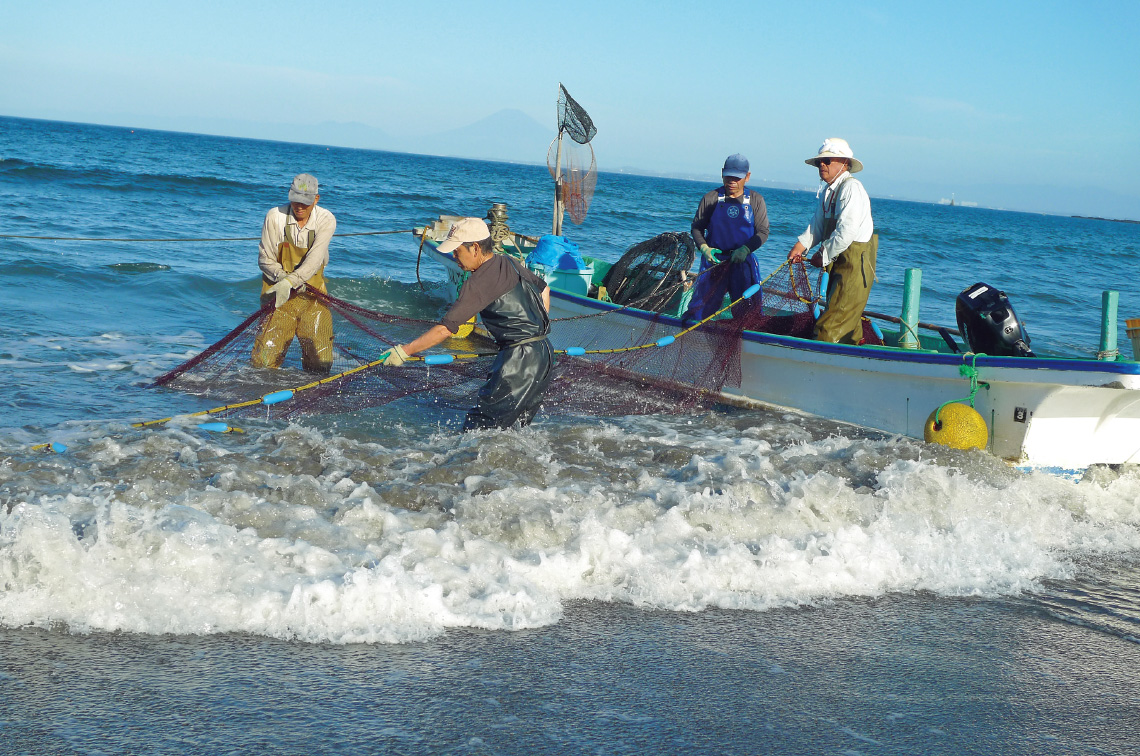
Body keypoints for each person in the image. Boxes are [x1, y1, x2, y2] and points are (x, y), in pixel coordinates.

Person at [383, 217, 554, 431]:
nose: (454, 257)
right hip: (545, 353)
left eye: (457, 251)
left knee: (480, 428)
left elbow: (445, 329)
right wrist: (534, 330)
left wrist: (404, 351)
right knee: (516, 428)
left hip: (518, 360)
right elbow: (544, 289)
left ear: (475, 248)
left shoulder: (478, 282)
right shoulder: (509, 261)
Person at [787, 139, 878, 344]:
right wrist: (800, 246)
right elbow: (817, 226)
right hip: (838, 264)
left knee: (830, 327)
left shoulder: (852, 188)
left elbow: (847, 231)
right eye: (819, 162)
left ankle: (819, 356)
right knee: (847, 324)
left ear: (844, 163)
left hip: (855, 268)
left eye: (827, 160)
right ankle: (854, 355)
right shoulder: (828, 192)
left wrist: (823, 255)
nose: (822, 165)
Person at [250, 173, 337, 373]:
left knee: (321, 363)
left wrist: (292, 281)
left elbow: (315, 260)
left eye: (305, 202)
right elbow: (265, 259)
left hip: (313, 295)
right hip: (279, 296)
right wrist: (282, 279)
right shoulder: (275, 216)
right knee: (263, 363)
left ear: (316, 199)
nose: (299, 206)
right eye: (296, 200)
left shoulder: (326, 219)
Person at [680, 153, 770, 327]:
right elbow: (697, 228)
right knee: (701, 309)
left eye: (737, 178)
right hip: (714, 262)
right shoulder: (711, 198)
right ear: (722, 173)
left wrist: (745, 249)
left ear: (747, 177)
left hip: (742, 261)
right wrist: (704, 247)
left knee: (747, 313)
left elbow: (763, 232)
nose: (732, 181)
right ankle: (694, 331)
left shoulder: (756, 200)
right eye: (728, 176)